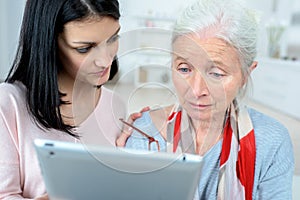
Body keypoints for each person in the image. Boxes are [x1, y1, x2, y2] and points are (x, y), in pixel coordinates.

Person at [117, 0, 295, 199]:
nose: (196, 90)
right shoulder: (144, 132)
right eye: (184, 69)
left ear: (246, 74)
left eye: (216, 73)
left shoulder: (271, 142)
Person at [0, 0, 126, 199]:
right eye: (84, 48)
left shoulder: (116, 105)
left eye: (112, 38)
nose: (105, 60)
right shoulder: (9, 103)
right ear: (48, 41)